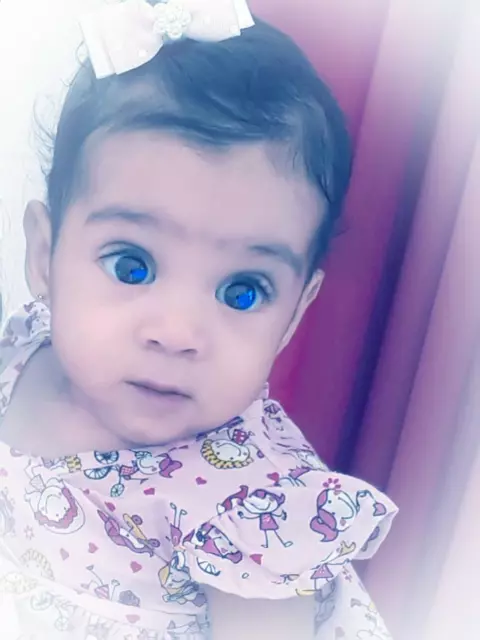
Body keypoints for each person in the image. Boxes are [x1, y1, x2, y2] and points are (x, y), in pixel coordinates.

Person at [0, 1, 398, 638]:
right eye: (132, 266)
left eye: (242, 292)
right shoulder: (20, 352)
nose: (177, 334)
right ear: (45, 256)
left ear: (296, 312)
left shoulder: (251, 506)